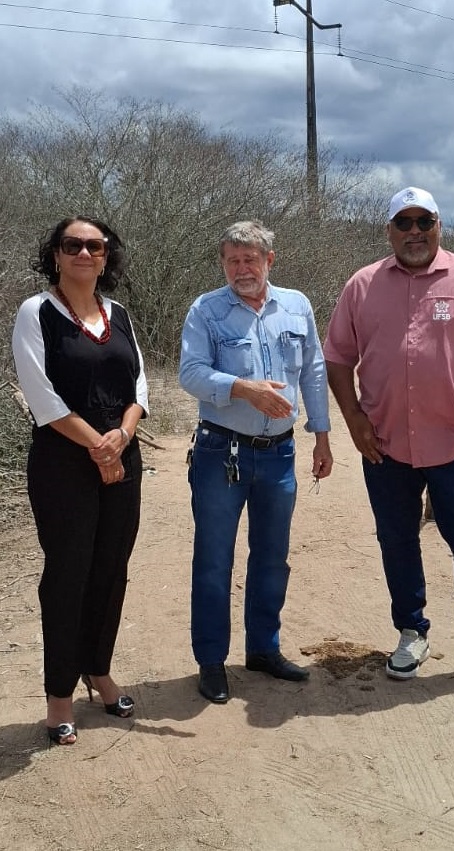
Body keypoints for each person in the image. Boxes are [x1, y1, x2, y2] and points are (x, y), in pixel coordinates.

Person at [323, 187, 454, 693]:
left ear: (439, 225)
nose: (414, 232)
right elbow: (337, 357)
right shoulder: (362, 285)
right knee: (397, 540)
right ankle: (411, 632)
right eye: (403, 222)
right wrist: (352, 418)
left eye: (423, 221)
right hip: (385, 443)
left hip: (453, 440)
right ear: (389, 230)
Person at [179, 220, 333, 704]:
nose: (241, 269)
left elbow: (313, 368)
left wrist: (321, 435)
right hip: (220, 451)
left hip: (280, 454)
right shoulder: (206, 310)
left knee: (271, 557)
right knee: (213, 561)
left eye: (250, 259)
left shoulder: (297, 304)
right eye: (232, 260)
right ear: (222, 264)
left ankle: (264, 649)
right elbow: (190, 373)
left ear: (270, 260)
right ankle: (211, 661)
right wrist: (242, 388)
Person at [12, 216, 148, 744]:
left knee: (112, 570)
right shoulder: (37, 312)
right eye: (74, 245)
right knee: (68, 574)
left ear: (107, 256)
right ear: (55, 254)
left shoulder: (120, 315)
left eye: (96, 246)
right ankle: (59, 695)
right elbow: (41, 397)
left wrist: (121, 438)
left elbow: (138, 385)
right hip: (63, 463)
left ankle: (98, 669)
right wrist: (97, 445)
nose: (85, 254)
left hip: (122, 457)